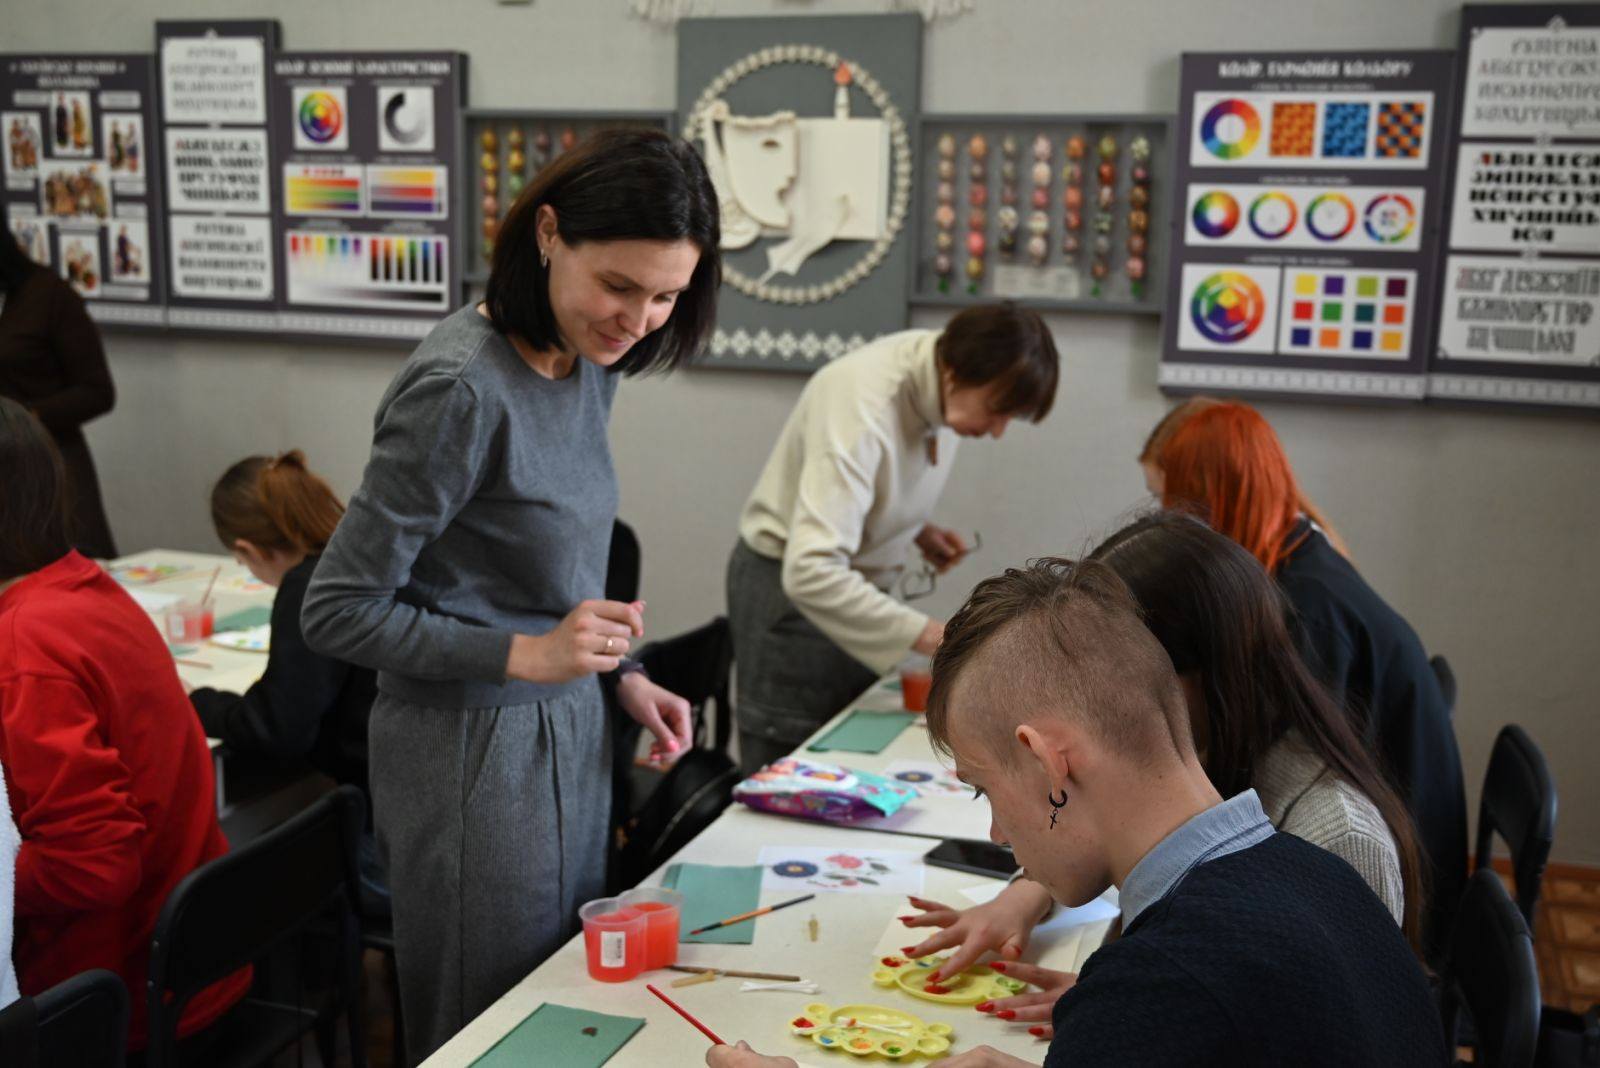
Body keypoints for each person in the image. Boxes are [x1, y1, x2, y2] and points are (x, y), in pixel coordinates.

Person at [302, 127, 719, 1062]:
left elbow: (551, 579)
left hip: (567, 729)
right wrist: (528, 655)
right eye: (619, 286)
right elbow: (337, 607)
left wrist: (620, 674)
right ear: (548, 233)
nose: (639, 319)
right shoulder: (460, 389)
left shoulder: (587, 360)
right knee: (483, 1025)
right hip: (468, 755)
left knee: (557, 1000)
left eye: (665, 297)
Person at [708, 558, 1447, 1068]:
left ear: (1047, 762)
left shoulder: (1156, 986)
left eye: (984, 790)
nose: (997, 833)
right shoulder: (1323, 878)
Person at [896, 512, 1426, 1034]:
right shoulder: (1234, 817)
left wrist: (1124, 1015)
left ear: (1168, 672)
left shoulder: (1337, 836)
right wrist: (1033, 889)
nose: (1098, 688)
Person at [1155, 399, 1466, 956]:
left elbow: (1267, 773)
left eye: (1170, 503)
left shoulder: (1308, 610)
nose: (1169, 522)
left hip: (1398, 892)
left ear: (1210, 500)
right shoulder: (1302, 554)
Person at [0, 398, 248, 1050]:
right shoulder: (86, 588)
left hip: (116, 1002)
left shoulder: (24, 647)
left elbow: (94, 868)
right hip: (198, 961)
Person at [729, 303, 1060, 772]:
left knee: (855, 760)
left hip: (847, 586)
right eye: (996, 411)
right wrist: (940, 638)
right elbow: (810, 571)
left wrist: (915, 529)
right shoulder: (863, 408)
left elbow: (861, 484)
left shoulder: (938, 375)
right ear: (954, 374)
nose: (997, 431)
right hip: (795, 599)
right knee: (794, 774)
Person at [186, 449, 386, 909]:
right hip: (414, 810)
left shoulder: (308, 588)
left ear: (247, 550)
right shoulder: (359, 557)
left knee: (248, 879)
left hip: (383, 842)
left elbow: (277, 727)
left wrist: (198, 703)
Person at [0, 226, 118, 558]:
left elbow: (97, 391)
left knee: (70, 567)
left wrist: (26, 418)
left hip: (47, 462)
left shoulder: (47, 295)